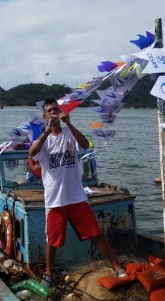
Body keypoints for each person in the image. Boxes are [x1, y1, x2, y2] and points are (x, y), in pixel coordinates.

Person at [28, 98, 125, 285]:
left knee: (96, 233)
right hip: (55, 199)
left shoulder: (69, 133)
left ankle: (117, 266)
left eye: (57, 110)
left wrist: (69, 124)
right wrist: (48, 130)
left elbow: (85, 145)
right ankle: (49, 273)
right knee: (53, 240)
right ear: (45, 116)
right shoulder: (44, 139)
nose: (54, 113)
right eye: (50, 111)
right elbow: (32, 153)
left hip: (77, 197)